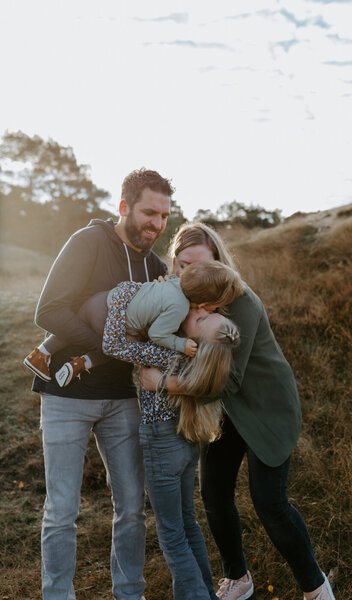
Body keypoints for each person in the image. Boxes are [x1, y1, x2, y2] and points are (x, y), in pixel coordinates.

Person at [139, 222, 336, 600]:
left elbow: (227, 383)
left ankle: (316, 587)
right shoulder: (180, 300)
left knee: (269, 502)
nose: (189, 274)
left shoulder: (240, 302)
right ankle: (238, 579)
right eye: (182, 265)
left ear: (217, 261)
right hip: (224, 412)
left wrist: (164, 383)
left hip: (265, 408)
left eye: (199, 264)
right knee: (213, 493)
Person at [30, 168, 173, 600]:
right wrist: (111, 345)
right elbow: (49, 311)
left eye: (165, 216)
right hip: (66, 395)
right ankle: (58, 595)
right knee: (61, 511)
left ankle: (129, 593)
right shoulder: (88, 243)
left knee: (131, 508)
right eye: (150, 212)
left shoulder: (156, 269)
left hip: (125, 400)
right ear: (124, 207)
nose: (157, 223)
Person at [102, 279, 240, 600]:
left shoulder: (165, 350)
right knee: (188, 524)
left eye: (204, 319)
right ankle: (205, 592)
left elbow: (113, 343)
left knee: (172, 535)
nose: (200, 310)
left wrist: (124, 292)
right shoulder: (194, 357)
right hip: (186, 442)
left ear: (196, 341)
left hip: (162, 441)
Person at [24, 261, 243, 387]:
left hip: (108, 297)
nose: (211, 311)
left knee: (81, 320)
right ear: (204, 301)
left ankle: (41, 353)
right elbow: (158, 334)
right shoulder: (180, 308)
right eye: (212, 308)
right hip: (115, 316)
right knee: (114, 347)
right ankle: (80, 364)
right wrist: (180, 344)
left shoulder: (174, 281)